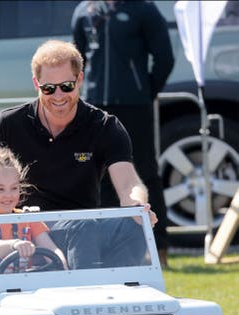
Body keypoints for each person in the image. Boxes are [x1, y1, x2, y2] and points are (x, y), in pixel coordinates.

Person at [0, 39, 156, 277]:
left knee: (135, 224)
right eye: (48, 88)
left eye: (67, 86)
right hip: (26, 230)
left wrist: (136, 206)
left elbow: (128, 182)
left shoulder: (105, 126)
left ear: (80, 79)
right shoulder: (9, 124)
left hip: (83, 227)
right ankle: (85, 294)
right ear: (36, 84)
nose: (58, 95)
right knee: (83, 227)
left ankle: (123, 289)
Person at [71, 0, 174, 267]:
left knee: (145, 172)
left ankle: (159, 249)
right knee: (98, 174)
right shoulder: (84, 11)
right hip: (95, 104)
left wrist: (142, 92)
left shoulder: (144, 9)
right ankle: (106, 249)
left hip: (134, 105)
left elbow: (165, 58)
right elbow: (76, 61)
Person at [0, 144, 67, 296]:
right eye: (0, 189)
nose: (8, 195)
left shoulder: (27, 218)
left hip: (22, 289)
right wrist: (15, 244)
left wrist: (62, 268)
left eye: (14, 188)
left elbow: (51, 248)